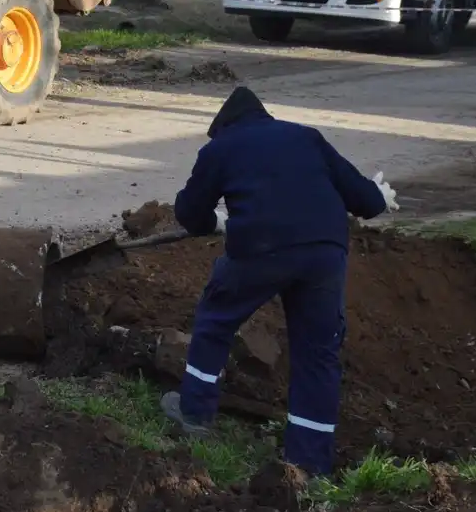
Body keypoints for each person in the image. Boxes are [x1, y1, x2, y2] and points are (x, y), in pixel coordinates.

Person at [161, 86, 398, 477]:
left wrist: (215, 223)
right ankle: (308, 465)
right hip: (325, 251)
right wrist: (380, 195)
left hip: (262, 246)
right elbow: (367, 201)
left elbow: (189, 212)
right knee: (318, 353)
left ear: (222, 127)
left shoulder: (220, 149)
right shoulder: (305, 137)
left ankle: (194, 413)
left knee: (216, 318)